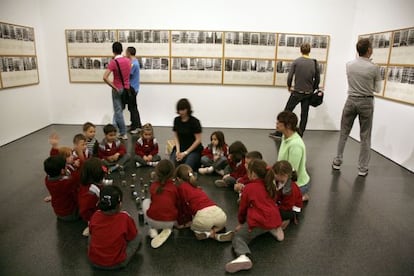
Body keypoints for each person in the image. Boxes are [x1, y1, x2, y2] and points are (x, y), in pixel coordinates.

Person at [332, 38, 382, 177]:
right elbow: (378, 89)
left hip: (351, 100)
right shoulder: (374, 68)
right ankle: (362, 168)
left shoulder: (349, 65)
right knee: (365, 137)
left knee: (344, 133)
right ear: (369, 50)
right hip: (366, 102)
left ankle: (337, 161)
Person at [225, 159, 284, 273]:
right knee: (264, 213)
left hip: (259, 222)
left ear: (253, 174)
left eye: (248, 171)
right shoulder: (270, 185)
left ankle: (242, 256)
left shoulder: (249, 188)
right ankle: (274, 229)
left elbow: (242, 209)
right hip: (275, 218)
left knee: (238, 237)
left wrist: (241, 223)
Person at [270, 43, 320, 138]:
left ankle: (280, 132)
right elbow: (317, 79)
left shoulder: (296, 62)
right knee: (304, 115)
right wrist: (312, 89)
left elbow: (290, 76)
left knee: (286, 112)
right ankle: (300, 134)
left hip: (297, 92)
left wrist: (289, 86)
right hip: (308, 93)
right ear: (309, 51)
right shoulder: (314, 63)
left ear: (300, 50)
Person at [175, 164, 233, 242]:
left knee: (193, 227)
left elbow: (182, 207)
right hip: (220, 215)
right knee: (218, 224)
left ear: (178, 179)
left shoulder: (181, 188)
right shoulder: (196, 187)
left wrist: (183, 222)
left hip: (204, 217)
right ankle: (216, 233)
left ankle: (209, 234)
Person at [88, 185, 140, 269]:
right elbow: (132, 236)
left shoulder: (95, 215)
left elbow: (91, 232)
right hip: (117, 263)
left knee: (92, 232)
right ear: (119, 205)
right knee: (138, 238)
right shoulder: (125, 217)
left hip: (95, 262)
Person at [142, 160, 178, 248]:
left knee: (146, 202)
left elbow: (153, 200)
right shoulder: (174, 188)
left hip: (153, 220)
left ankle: (153, 229)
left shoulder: (154, 186)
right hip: (171, 222)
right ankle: (167, 228)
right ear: (172, 173)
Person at [276, 111, 310, 201]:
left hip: (297, 183)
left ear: (288, 126)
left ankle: (300, 196)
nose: (276, 124)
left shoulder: (295, 145)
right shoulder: (285, 137)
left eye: (279, 123)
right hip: (283, 177)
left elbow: (291, 172)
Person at [103, 41, 131, 140]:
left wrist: (114, 87)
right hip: (127, 89)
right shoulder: (128, 60)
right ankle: (114, 128)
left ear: (113, 51)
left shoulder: (114, 62)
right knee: (119, 110)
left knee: (118, 111)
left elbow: (105, 77)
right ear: (122, 49)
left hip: (117, 89)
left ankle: (123, 132)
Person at [266, 160, 303, 229]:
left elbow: (287, 206)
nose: (275, 177)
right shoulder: (280, 180)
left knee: (275, 213)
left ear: (285, 176)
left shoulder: (290, 189)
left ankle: (289, 219)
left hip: (292, 209)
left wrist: (274, 208)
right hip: (282, 202)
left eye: (277, 176)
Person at [170, 98, 203, 171]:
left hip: (193, 150)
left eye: (183, 110)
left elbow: (198, 140)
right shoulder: (176, 120)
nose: (181, 112)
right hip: (180, 147)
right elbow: (176, 136)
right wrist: (178, 151)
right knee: (171, 165)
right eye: (179, 110)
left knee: (186, 167)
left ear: (187, 109)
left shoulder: (195, 122)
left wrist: (185, 153)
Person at [43, 155, 79, 221]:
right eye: (66, 166)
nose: (67, 167)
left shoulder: (47, 179)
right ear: (62, 171)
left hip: (58, 213)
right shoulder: (67, 183)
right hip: (72, 214)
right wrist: (76, 168)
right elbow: (76, 179)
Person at [78, 157, 104, 236]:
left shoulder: (90, 185)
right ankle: (92, 226)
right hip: (94, 215)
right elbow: (85, 210)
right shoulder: (90, 193)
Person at [125, 46, 142, 134]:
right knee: (131, 107)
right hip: (132, 88)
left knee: (133, 108)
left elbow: (129, 74)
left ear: (129, 53)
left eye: (126, 52)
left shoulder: (134, 64)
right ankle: (133, 124)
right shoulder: (133, 62)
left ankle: (137, 126)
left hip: (133, 88)